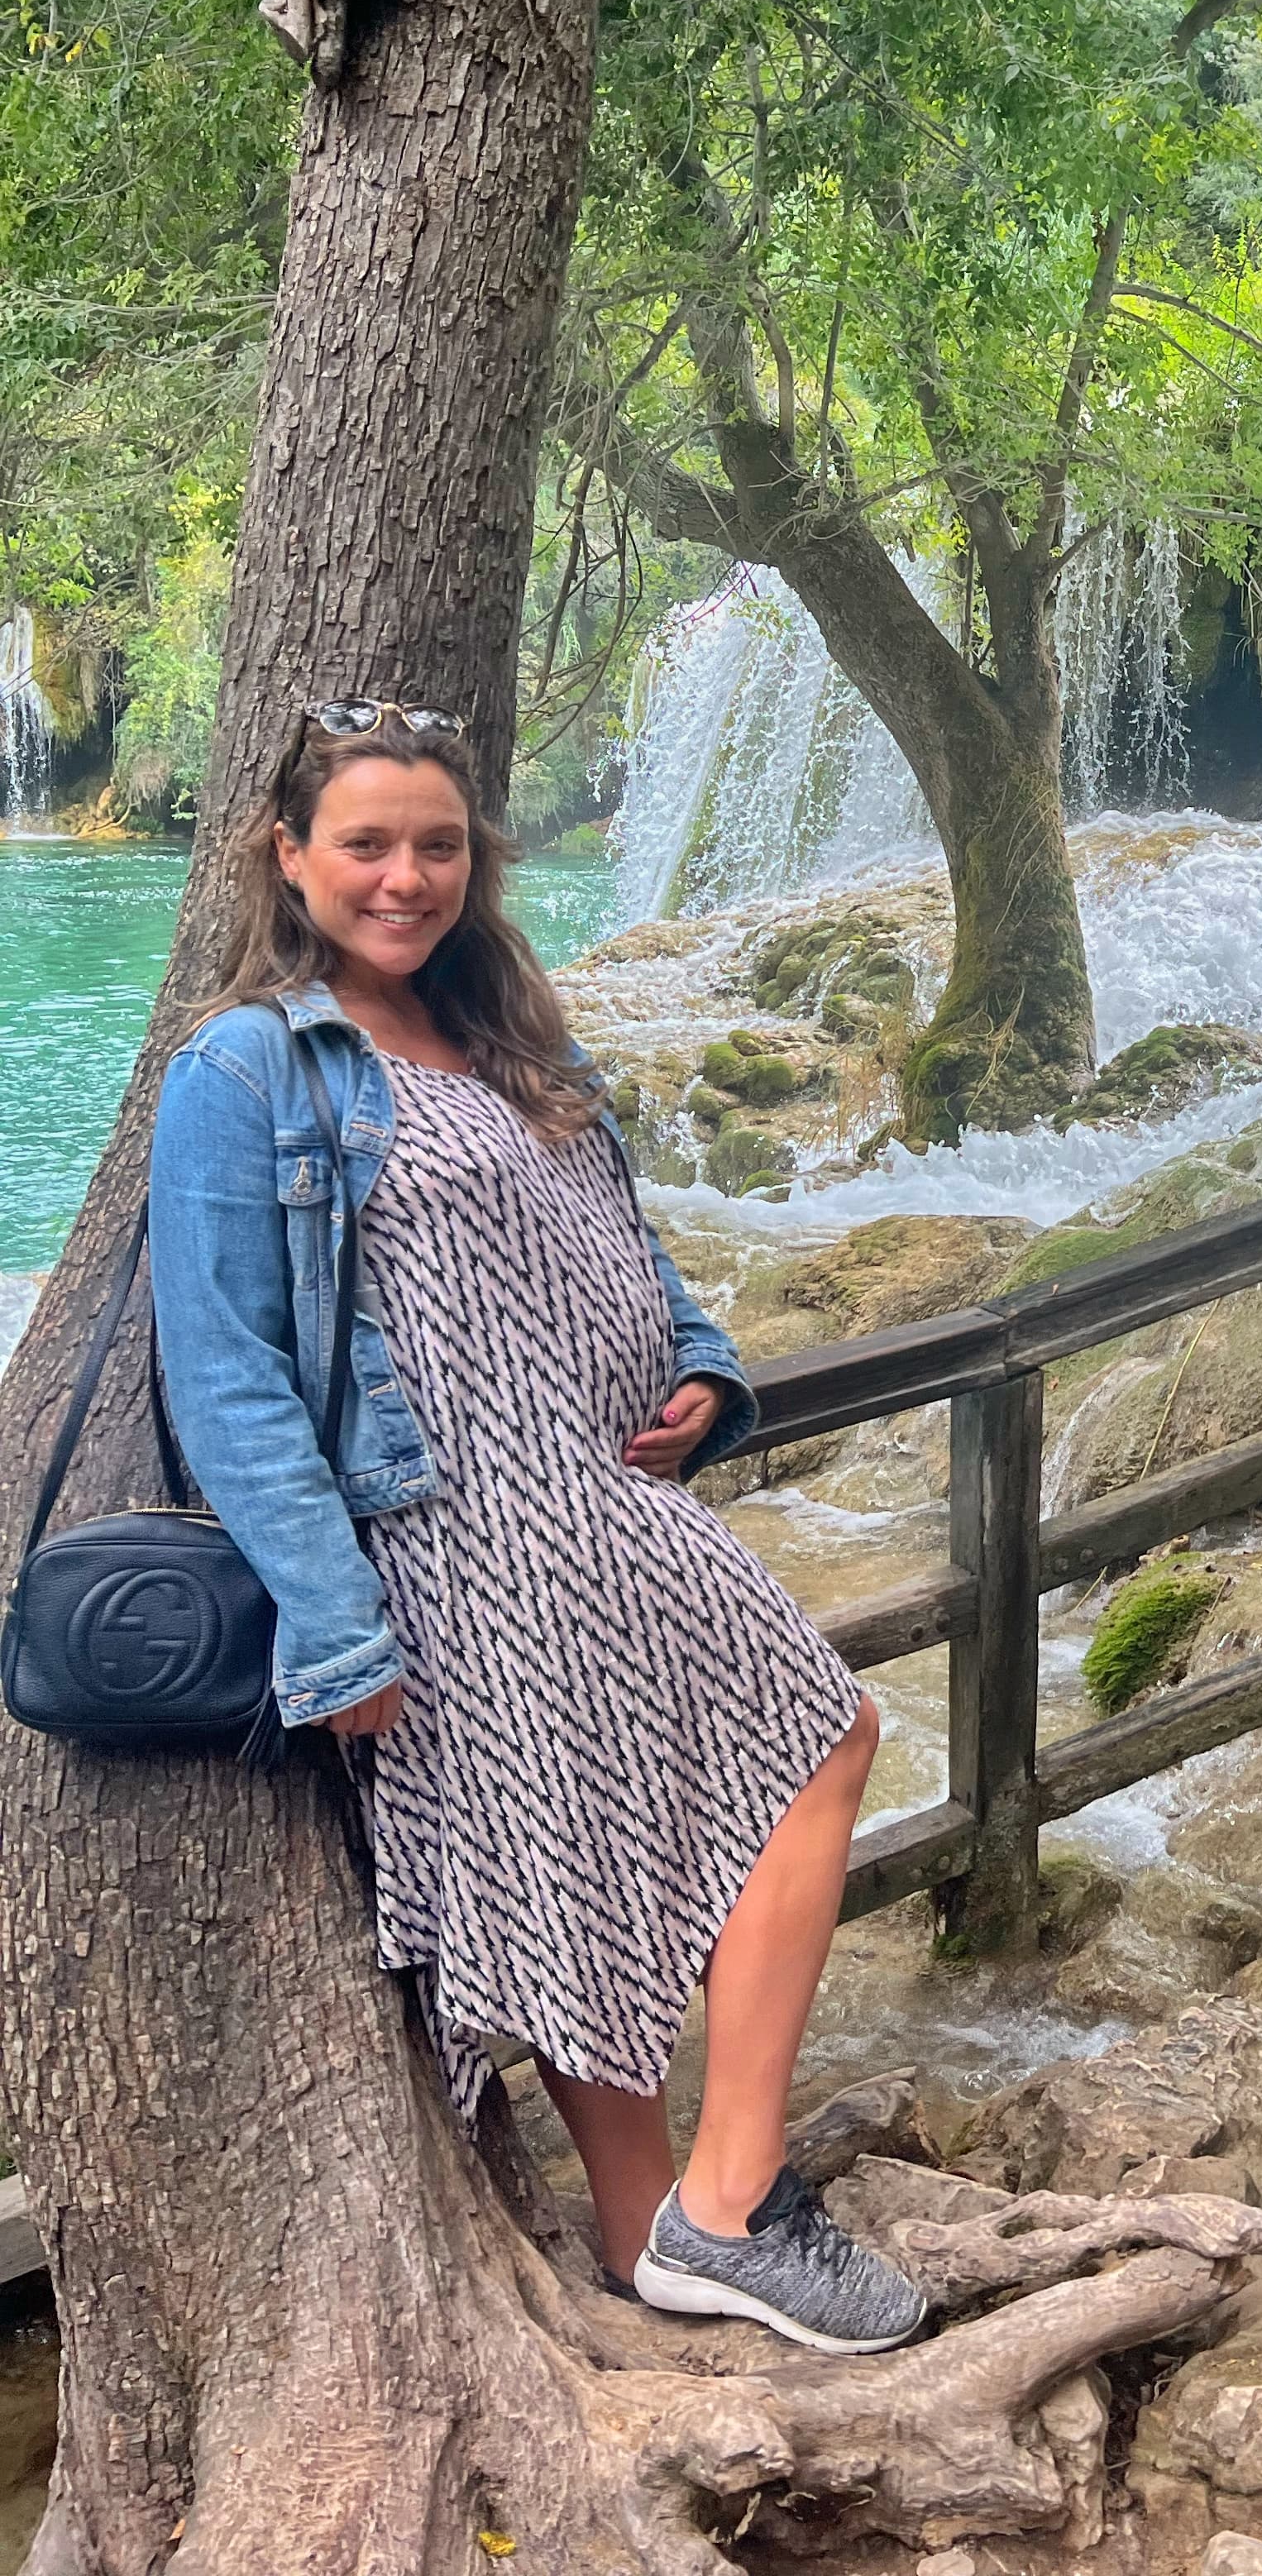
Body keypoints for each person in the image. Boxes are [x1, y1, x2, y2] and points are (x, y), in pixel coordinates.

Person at [146, 699, 925, 2355]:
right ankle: (721, 2210)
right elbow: (229, 1377)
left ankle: (677, 2229)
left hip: (601, 1492)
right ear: (289, 856)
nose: (404, 876)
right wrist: (334, 1619)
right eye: (366, 843)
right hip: (454, 1537)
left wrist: (709, 1377)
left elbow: (636, 1254)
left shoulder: (509, 1031)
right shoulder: (251, 1067)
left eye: (437, 844)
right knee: (781, 1756)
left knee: (668, 1813)